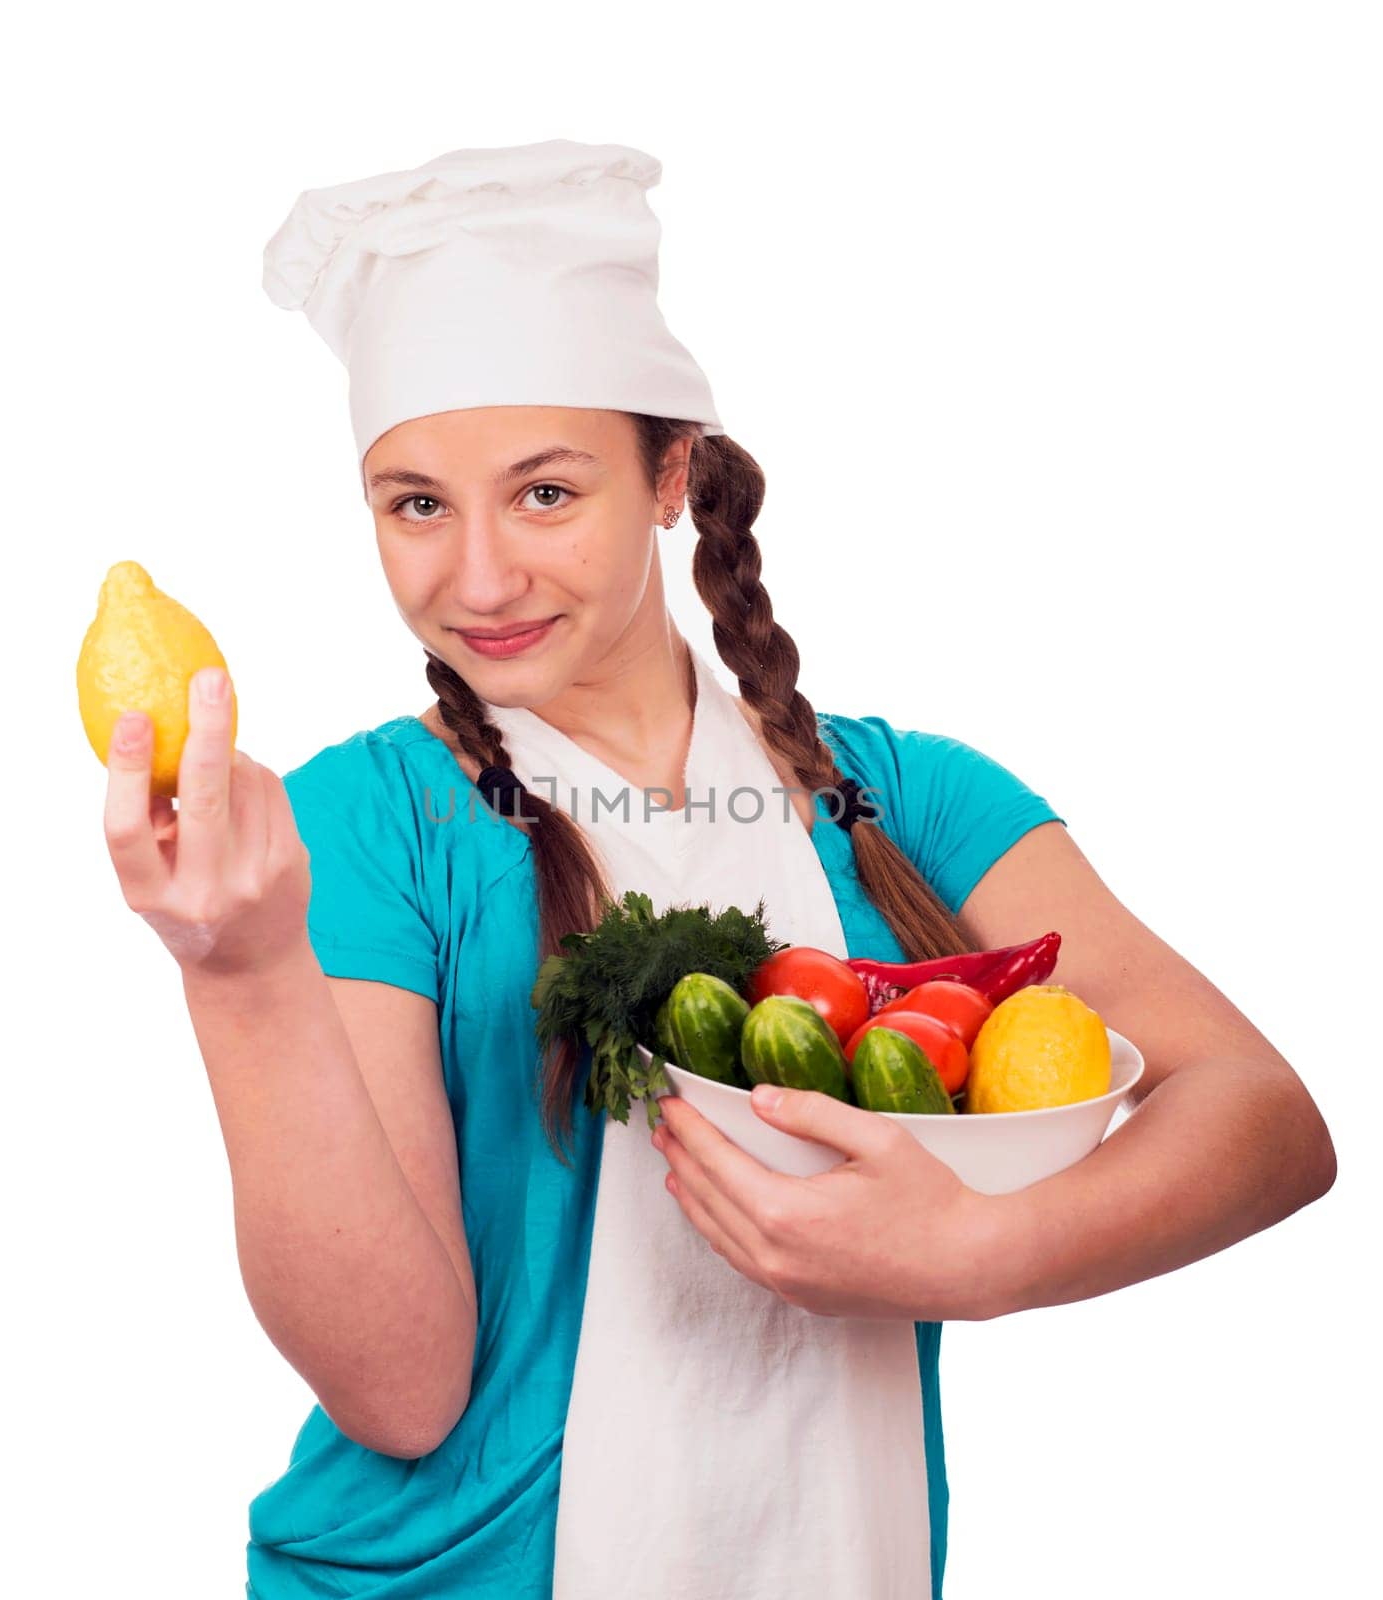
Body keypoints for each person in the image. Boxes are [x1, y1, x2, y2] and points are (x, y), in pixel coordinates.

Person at [99, 140, 1336, 1600]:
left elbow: (1263, 1118)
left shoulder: (905, 798)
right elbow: (403, 1394)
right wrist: (239, 975)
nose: (478, 579)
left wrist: (977, 1255)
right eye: (416, 503)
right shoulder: (362, 824)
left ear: (673, 472)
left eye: (546, 494)